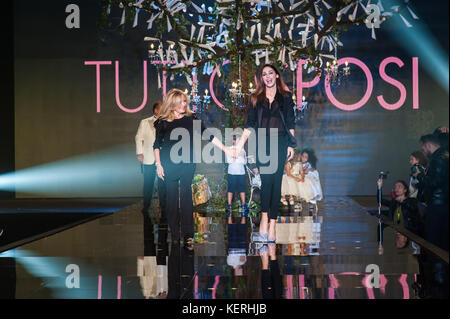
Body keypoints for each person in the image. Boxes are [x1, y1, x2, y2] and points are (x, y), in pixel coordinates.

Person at [153, 88, 233, 247]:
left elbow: (208, 135)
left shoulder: (192, 119)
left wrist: (225, 149)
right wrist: (158, 165)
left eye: (185, 101)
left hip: (188, 163)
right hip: (168, 164)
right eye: (181, 101)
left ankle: (188, 235)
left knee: (186, 197)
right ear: (173, 103)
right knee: (171, 200)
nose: (184, 104)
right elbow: (157, 145)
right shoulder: (162, 122)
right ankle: (175, 234)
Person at [234, 64, 296, 243]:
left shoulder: (285, 97)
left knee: (276, 184)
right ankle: (263, 219)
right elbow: (250, 124)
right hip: (262, 143)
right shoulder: (255, 98)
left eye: (271, 73)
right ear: (261, 78)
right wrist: (239, 145)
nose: (268, 76)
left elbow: (290, 121)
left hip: (281, 143)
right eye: (264, 74)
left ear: (277, 75)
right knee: (266, 183)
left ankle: (273, 224)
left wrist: (291, 145)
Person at [414, 134, 449, 251]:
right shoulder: (444, 156)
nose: (423, 151)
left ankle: (438, 268)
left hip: (437, 206)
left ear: (428, 145)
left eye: (423, 148)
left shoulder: (438, 159)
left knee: (435, 243)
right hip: (442, 204)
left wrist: (420, 176)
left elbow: (435, 182)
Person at [135, 101, 166, 216]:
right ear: (156, 110)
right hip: (148, 157)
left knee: (163, 184)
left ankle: (164, 206)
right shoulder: (145, 122)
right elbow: (138, 138)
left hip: (163, 159)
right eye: (162, 109)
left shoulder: (167, 122)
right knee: (148, 183)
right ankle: (146, 206)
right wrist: (139, 153)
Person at [225, 135, 249, 218]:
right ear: (233, 141)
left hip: (241, 173)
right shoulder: (229, 149)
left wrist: (238, 156)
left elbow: (244, 162)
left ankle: (243, 205)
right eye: (237, 141)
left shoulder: (243, 150)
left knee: (242, 189)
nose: (238, 142)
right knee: (231, 189)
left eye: (240, 141)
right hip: (232, 172)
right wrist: (235, 156)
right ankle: (229, 205)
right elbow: (229, 161)